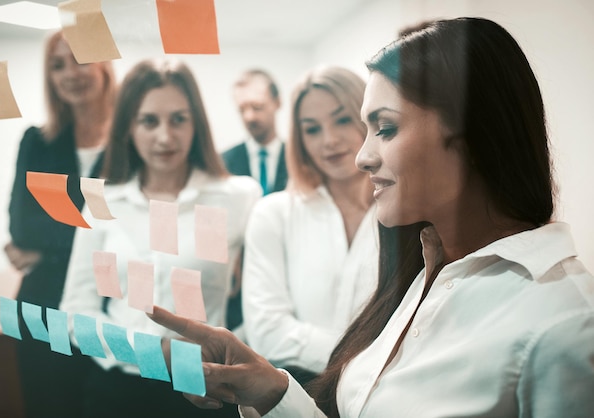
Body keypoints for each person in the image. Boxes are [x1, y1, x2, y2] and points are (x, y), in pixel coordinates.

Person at [149, 17, 594, 417]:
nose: (361, 155)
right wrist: (272, 390)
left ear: (471, 136)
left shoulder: (565, 325)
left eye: (385, 128)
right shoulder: (423, 273)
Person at [59, 59, 261, 417]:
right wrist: (157, 352)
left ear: (196, 123)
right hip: (116, 393)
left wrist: (226, 352)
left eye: (179, 119)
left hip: (206, 389)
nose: (165, 137)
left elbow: (261, 303)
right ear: (128, 128)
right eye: (149, 121)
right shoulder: (102, 203)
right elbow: (75, 314)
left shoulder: (239, 197)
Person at [241, 66, 378, 387]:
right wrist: (376, 355)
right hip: (299, 396)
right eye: (312, 129)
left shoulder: (406, 214)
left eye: (343, 120)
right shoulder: (273, 214)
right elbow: (267, 333)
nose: (329, 140)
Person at [5, 30, 116, 418]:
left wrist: (48, 247)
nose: (70, 73)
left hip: (113, 304)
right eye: (57, 65)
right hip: (42, 305)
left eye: (81, 59)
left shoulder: (132, 143)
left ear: (104, 64)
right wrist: (95, 236)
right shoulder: (37, 142)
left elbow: (132, 233)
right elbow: (22, 227)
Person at [222, 69, 289, 331]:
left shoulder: (301, 160)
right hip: (237, 291)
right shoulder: (221, 164)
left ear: (277, 102)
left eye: (257, 107)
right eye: (242, 109)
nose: (249, 116)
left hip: (288, 279)